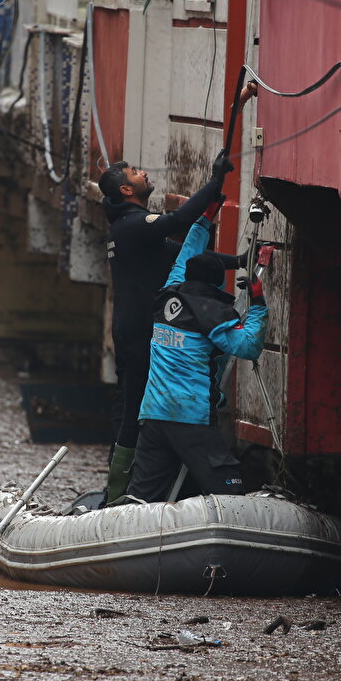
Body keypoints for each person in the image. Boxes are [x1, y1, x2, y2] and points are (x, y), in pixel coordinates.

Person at [100, 151, 246, 502]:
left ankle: (135, 484)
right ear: (125, 190)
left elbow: (189, 259)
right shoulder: (134, 225)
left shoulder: (132, 230)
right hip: (138, 333)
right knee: (133, 405)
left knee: (131, 405)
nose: (144, 172)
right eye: (135, 172)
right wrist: (213, 182)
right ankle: (118, 490)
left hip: (133, 329)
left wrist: (239, 261)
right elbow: (179, 218)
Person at [115, 209, 268, 504]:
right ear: (217, 284)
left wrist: (204, 218)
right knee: (230, 493)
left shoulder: (166, 296)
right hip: (191, 418)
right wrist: (258, 303)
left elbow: (186, 255)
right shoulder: (213, 314)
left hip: (153, 416)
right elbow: (248, 347)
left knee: (143, 498)